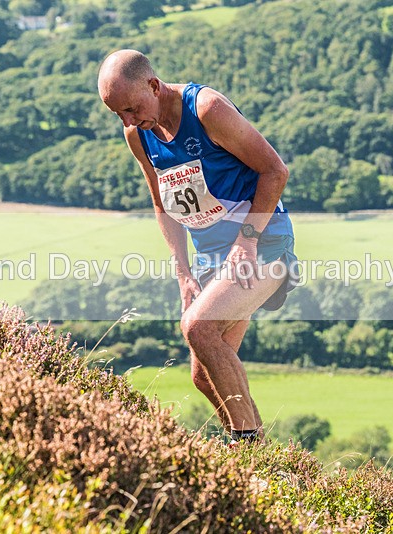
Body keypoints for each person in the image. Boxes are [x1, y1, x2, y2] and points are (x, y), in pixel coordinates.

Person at [97, 49, 298, 443]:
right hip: (213, 258)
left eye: (131, 108)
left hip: (262, 243)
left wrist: (247, 239)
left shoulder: (207, 110)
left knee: (199, 328)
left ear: (154, 86)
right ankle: (260, 456)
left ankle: (247, 447)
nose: (127, 121)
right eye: (117, 114)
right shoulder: (138, 134)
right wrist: (183, 272)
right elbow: (163, 204)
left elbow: (275, 171)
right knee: (204, 377)